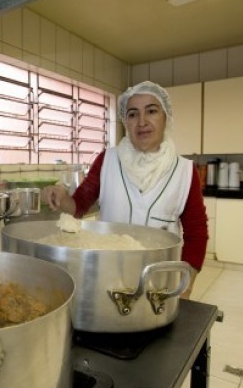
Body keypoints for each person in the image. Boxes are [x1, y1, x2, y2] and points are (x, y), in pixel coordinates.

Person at [43, 81, 208, 297]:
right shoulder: (108, 160)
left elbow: (197, 233)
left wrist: (186, 286)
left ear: (165, 117)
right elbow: (79, 205)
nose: (142, 122)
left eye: (151, 111)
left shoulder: (185, 171)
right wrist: (62, 198)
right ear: (125, 121)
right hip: (108, 280)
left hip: (159, 283)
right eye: (132, 114)